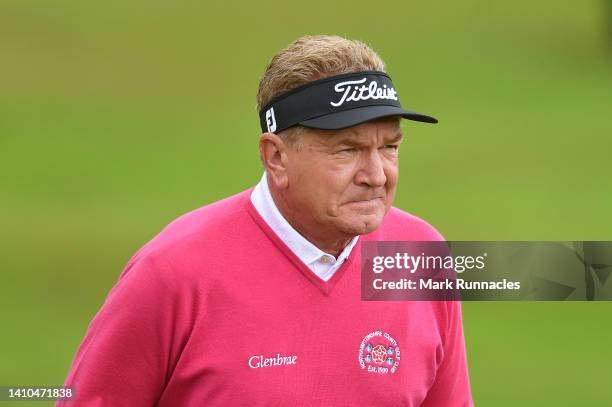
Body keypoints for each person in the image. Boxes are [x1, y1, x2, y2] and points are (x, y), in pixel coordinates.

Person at [58, 35, 473, 406]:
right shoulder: (172, 273)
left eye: (389, 146)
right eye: (347, 150)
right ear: (276, 157)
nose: (377, 175)